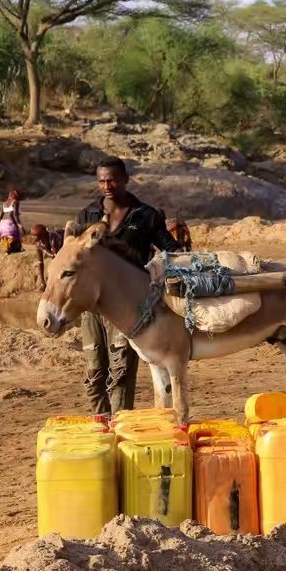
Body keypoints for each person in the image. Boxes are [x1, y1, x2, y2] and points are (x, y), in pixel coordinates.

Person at [74, 157, 179, 416]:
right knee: (94, 372)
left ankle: (120, 426)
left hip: (127, 308)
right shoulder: (87, 215)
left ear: (125, 180)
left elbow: (172, 252)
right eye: (101, 181)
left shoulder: (145, 215)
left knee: (120, 372)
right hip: (92, 307)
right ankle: (100, 426)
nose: (107, 186)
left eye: (112, 180)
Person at [32, 223, 63, 289]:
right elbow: (40, 262)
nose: (33, 238)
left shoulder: (53, 239)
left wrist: (43, 250)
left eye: (35, 236)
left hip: (63, 242)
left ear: (42, 236)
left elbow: (55, 257)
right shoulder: (38, 243)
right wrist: (42, 281)